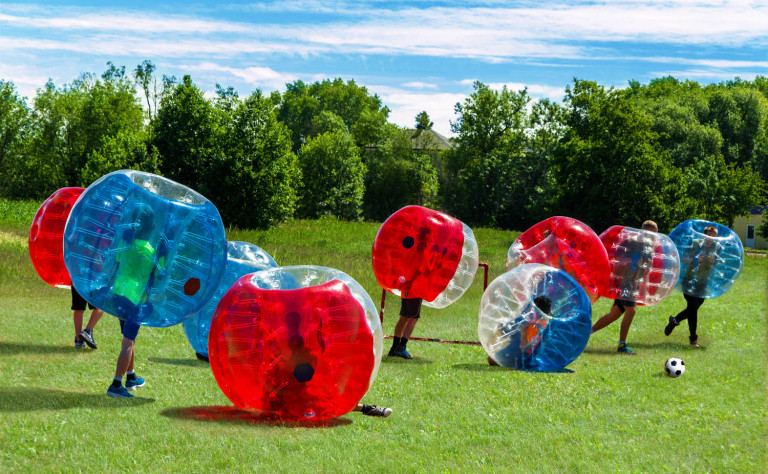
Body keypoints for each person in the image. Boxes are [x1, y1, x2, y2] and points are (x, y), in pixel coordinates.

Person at [106, 206, 157, 399]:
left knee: (130, 339)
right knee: (127, 342)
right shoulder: (150, 251)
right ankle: (116, 384)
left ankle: (131, 376)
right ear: (152, 227)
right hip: (135, 300)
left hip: (119, 295)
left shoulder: (126, 243)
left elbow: (118, 260)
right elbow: (158, 273)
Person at [591, 220, 658, 354]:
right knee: (631, 311)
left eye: (654, 236)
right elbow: (617, 260)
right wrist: (632, 261)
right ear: (643, 231)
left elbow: (647, 265)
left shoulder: (649, 246)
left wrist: (647, 264)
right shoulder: (629, 242)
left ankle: (585, 333)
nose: (652, 238)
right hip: (624, 281)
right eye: (650, 235)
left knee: (614, 314)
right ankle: (622, 345)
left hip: (635, 283)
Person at [664, 225, 720, 347]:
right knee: (693, 306)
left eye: (713, 237)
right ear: (704, 236)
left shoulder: (717, 247)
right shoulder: (695, 243)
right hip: (688, 280)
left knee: (693, 308)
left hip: (703, 282)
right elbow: (683, 258)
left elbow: (718, 263)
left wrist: (713, 261)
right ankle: (693, 338)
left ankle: (675, 320)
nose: (710, 239)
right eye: (708, 236)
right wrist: (695, 260)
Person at [488, 295, 551, 368]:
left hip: (522, 356)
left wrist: (523, 330)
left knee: (491, 359)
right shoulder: (546, 323)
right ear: (549, 310)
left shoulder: (534, 326)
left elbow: (524, 345)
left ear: (536, 309)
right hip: (533, 355)